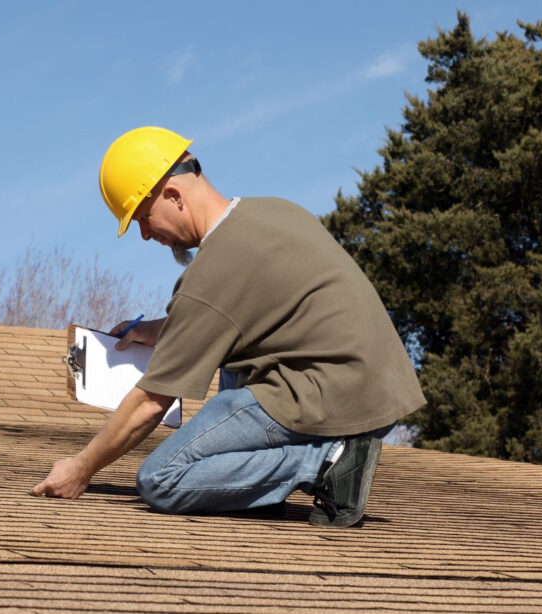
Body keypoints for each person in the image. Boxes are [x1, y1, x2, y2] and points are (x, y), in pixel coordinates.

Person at [31, 126, 425, 527]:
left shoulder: (213, 271)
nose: (146, 235)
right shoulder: (273, 213)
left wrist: (81, 467)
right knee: (232, 359)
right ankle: (261, 489)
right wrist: (155, 330)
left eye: (142, 218)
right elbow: (233, 313)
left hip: (332, 396)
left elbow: (151, 402)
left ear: (173, 195)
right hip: (374, 387)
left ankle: (327, 462)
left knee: (160, 479)